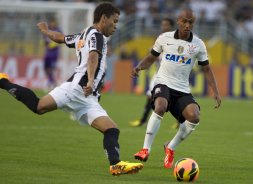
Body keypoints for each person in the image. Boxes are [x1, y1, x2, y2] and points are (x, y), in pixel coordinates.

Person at [0, 2, 143, 176]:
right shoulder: (97, 36)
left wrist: (45, 32)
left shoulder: (83, 35)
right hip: (77, 89)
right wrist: (90, 80)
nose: (116, 25)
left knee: (111, 129)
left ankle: (116, 164)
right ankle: (3, 81)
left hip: (88, 98)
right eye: (114, 21)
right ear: (104, 18)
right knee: (38, 107)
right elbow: (92, 57)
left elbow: (60, 38)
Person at [131, 8, 221, 169]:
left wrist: (215, 91)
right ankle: (145, 149)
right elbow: (151, 57)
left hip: (182, 89)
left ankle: (170, 147)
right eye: (185, 21)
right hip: (163, 82)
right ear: (178, 21)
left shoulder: (198, 44)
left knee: (194, 116)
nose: (187, 25)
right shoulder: (164, 38)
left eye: (191, 22)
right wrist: (139, 67)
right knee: (160, 106)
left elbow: (206, 69)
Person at [129, 17, 175, 127]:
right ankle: (143, 120)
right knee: (150, 96)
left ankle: (180, 121)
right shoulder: (160, 39)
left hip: (172, 75)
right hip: (159, 74)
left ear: (171, 27)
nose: (164, 27)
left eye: (166, 25)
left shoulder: (176, 40)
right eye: (162, 25)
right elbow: (152, 55)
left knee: (174, 98)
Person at [43, 17, 61, 90]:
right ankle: (52, 82)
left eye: (53, 22)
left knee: (52, 68)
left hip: (54, 53)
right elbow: (44, 40)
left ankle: (51, 82)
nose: (52, 24)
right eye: (51, 22)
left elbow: (61, 40)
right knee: (46, 68)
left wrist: (53, 45)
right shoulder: (47, 31)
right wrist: (45, 44)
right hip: (47, 53)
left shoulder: (58, 30)